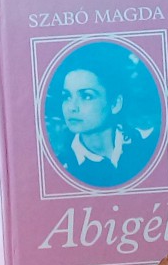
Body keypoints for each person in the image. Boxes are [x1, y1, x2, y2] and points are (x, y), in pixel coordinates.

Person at [49, 42, 160, 188]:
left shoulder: (150, 144)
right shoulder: (62, 168)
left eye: (86, 96)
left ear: (115, 104)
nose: (72, 107)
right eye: (67, 96)